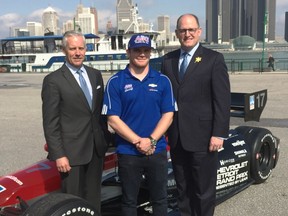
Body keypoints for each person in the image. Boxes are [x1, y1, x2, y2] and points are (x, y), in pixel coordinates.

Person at [161, 14, 231, 216]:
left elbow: (222, 100)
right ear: (176, 33)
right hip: (176, 138)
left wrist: (219, 133)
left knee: (203, 190)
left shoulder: (214, 59)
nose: (187, 34)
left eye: (191, 30)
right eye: (183, 30)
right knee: (182, 189)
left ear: (199, 32)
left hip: (204, 137)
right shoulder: (168, 60)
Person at [101, 33, 176, 216]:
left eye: (146, 50)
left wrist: (151, 140)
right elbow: (113, 119)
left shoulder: (162, 80)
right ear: (128, 52)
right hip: (129, 152)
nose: (142, 54)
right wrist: (138, 141)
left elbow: (169, 114)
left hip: (156, 150)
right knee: (129, 201)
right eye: (137, 50)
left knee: (160, 198)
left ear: (151, 52)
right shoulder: (116, 81)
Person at [42, 30, 109, 212]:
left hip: (95, 150)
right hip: (71, 154)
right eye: (73, 49)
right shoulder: (53, 81)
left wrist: (106, 141)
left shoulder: (95, 75)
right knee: (73, 202)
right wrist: (59, 154)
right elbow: (50, 122)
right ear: (64, 50)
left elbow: (98, 114)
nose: (78, 52)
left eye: (81, 48)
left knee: (94, 199)